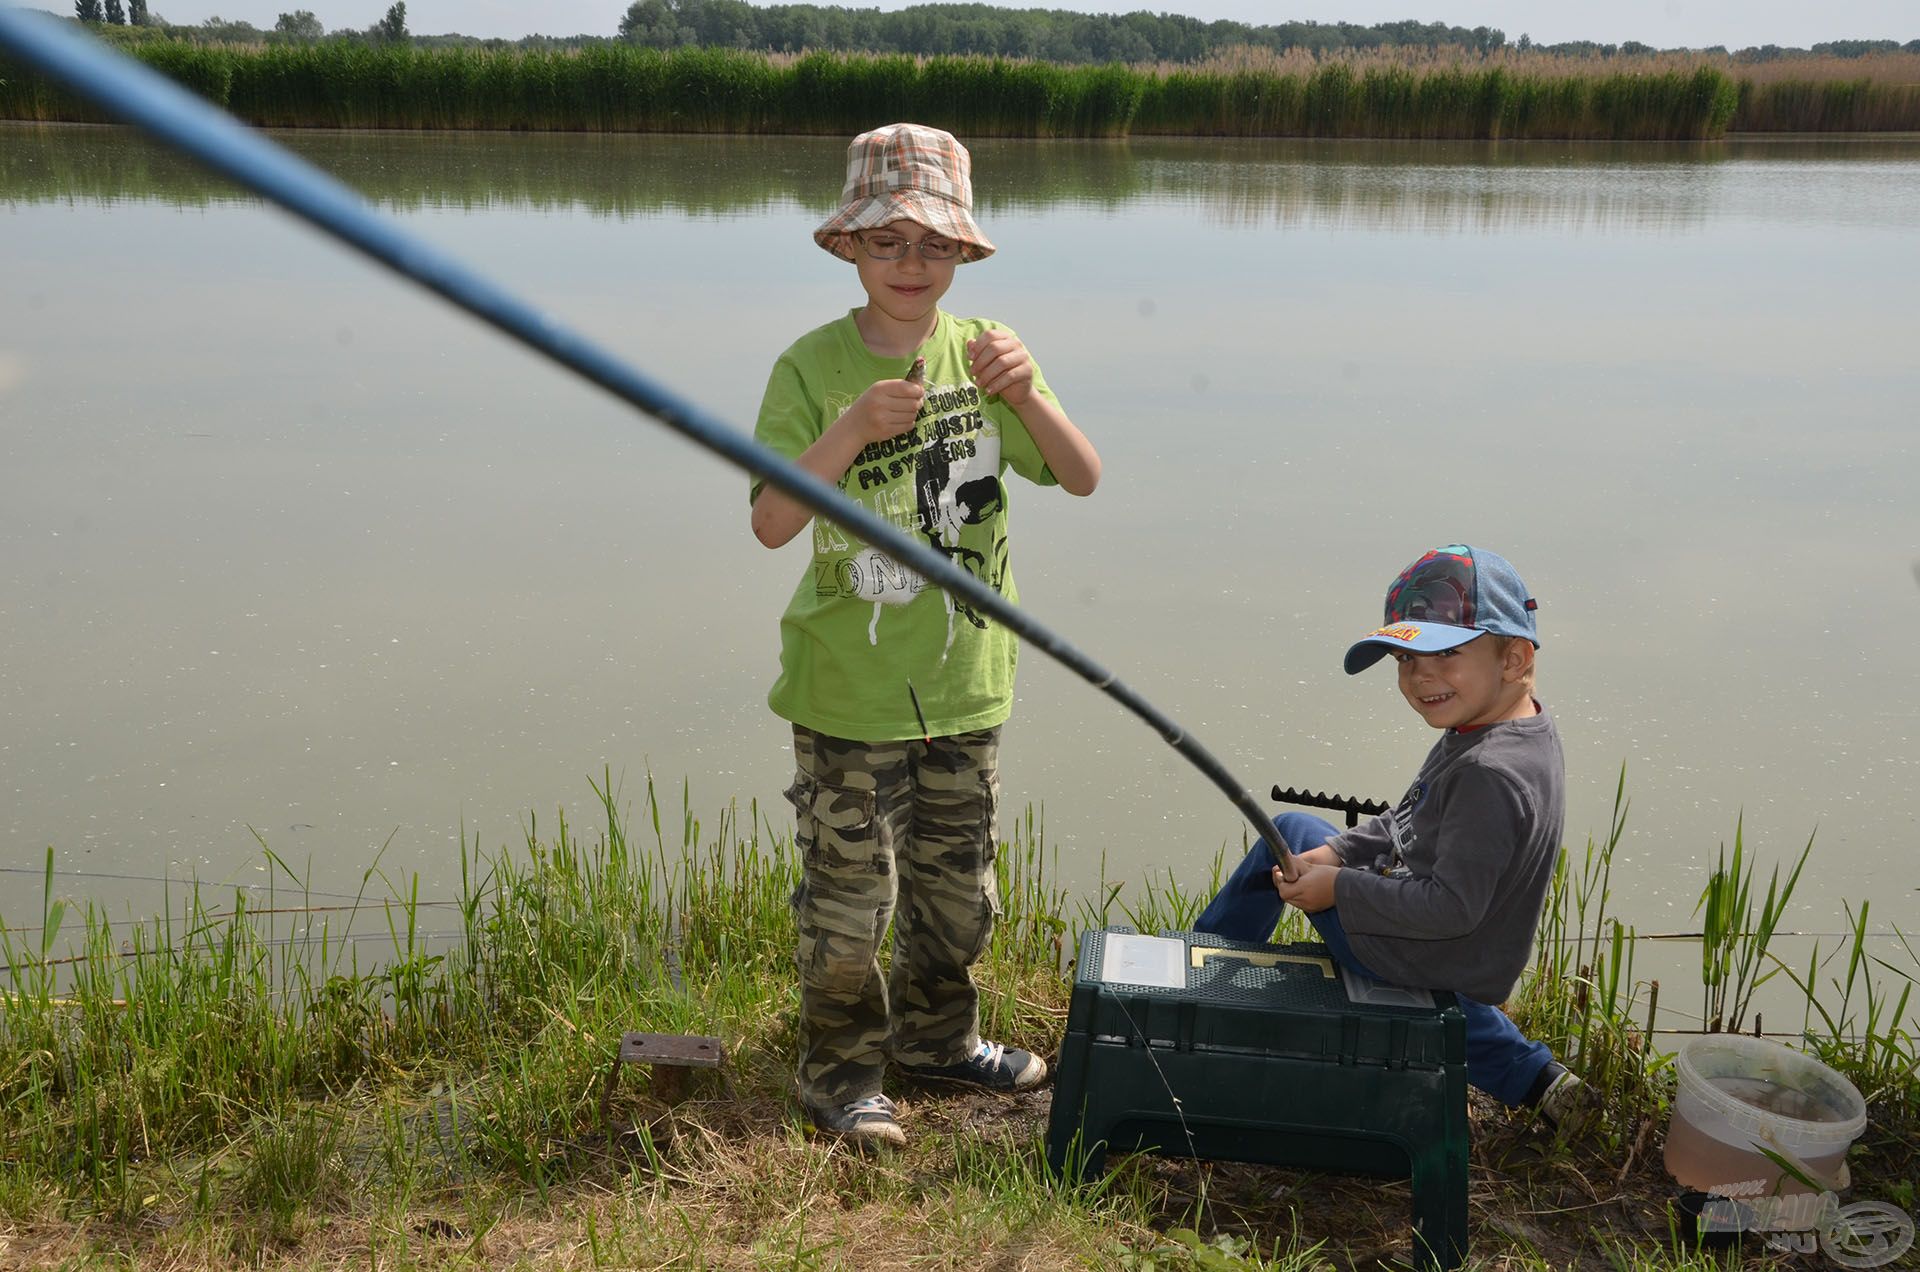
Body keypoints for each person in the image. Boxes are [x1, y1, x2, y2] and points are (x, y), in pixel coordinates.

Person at [750, 123, 1102, 1149]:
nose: (911, 264)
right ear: (848, 248)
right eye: (888, 242)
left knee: (960, 898)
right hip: (846, 696)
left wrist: (1029, 390)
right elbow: (772, 521)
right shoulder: (811, 369)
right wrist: (854, 427)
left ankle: (937, 1041)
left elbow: (1080, 476)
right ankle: (841, 1071)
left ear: (963, 255)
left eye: (934, 245)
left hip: (967, 692)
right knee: (850, 910)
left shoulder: (989, 355)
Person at [1195, 544, 1596, 1132]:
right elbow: (1407, 820)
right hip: (1462, 950)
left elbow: (1450, 908)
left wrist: (1341, 889)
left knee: (1280, 833)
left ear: (1514, 658)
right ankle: (1538, 1079)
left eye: (1446, 653)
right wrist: (1338, 853)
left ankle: (1196, 986)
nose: (1420, 676)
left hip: (1425, 946)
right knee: (1305, 836)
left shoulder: (1488, 773)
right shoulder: (1503, 727)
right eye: (1406, 659)